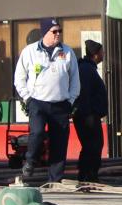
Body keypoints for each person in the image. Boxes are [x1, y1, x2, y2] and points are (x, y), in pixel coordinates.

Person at [14, 16, 81, 183]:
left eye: (60, 31)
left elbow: (75, 81)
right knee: (36, 133)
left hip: (61, 104)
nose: (58, 34)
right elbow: (19, 78)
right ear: (45, 32)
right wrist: (27, 99)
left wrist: (70, 101)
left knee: (59, 143)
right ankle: (30, 162)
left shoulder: (67, 52)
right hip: (38, 102)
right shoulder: (30, 51)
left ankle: (55, 179)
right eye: (54, 31)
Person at [73, 39, 108, 184]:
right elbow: (84, 93)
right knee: (93, 145)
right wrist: (89, 113)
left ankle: (88, 174)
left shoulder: (88, 68)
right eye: (101, 52)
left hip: (89, 114)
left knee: (92, 145)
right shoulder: (86, 70)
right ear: (95, 54)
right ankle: (88, 174)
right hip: (88, 116)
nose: (103, 54)